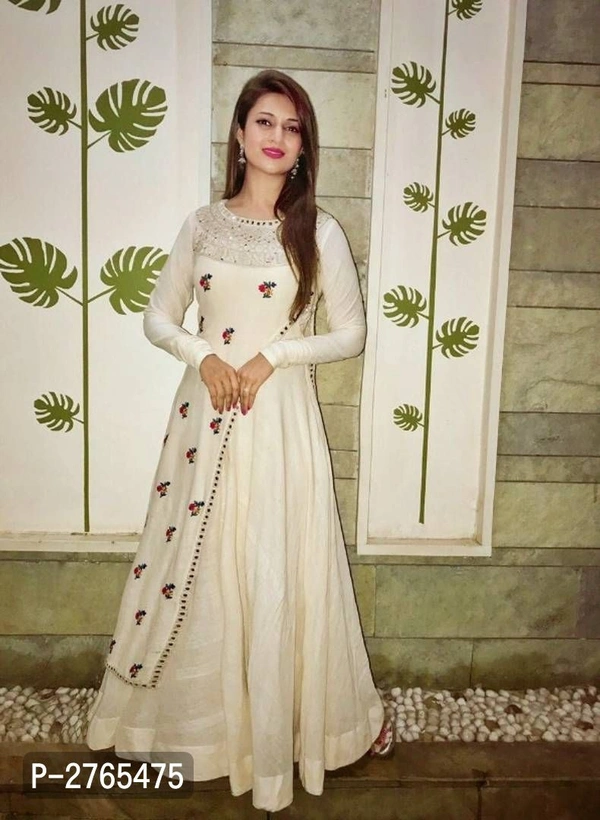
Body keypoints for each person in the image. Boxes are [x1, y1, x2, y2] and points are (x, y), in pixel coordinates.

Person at [86, 68, 395, 812]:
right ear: (239, 133)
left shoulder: (319, 231)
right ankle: (206, 733)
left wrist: (273, 356)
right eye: (265, 122)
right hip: (204, 419)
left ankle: (294, 731)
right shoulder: (202, 225)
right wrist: (205, 356)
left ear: (303, 145)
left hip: (281, 422)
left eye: (292, 127)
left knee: (276, 565)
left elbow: (351, 335)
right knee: (195, 568)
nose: (277, 137)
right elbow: (158, 317)